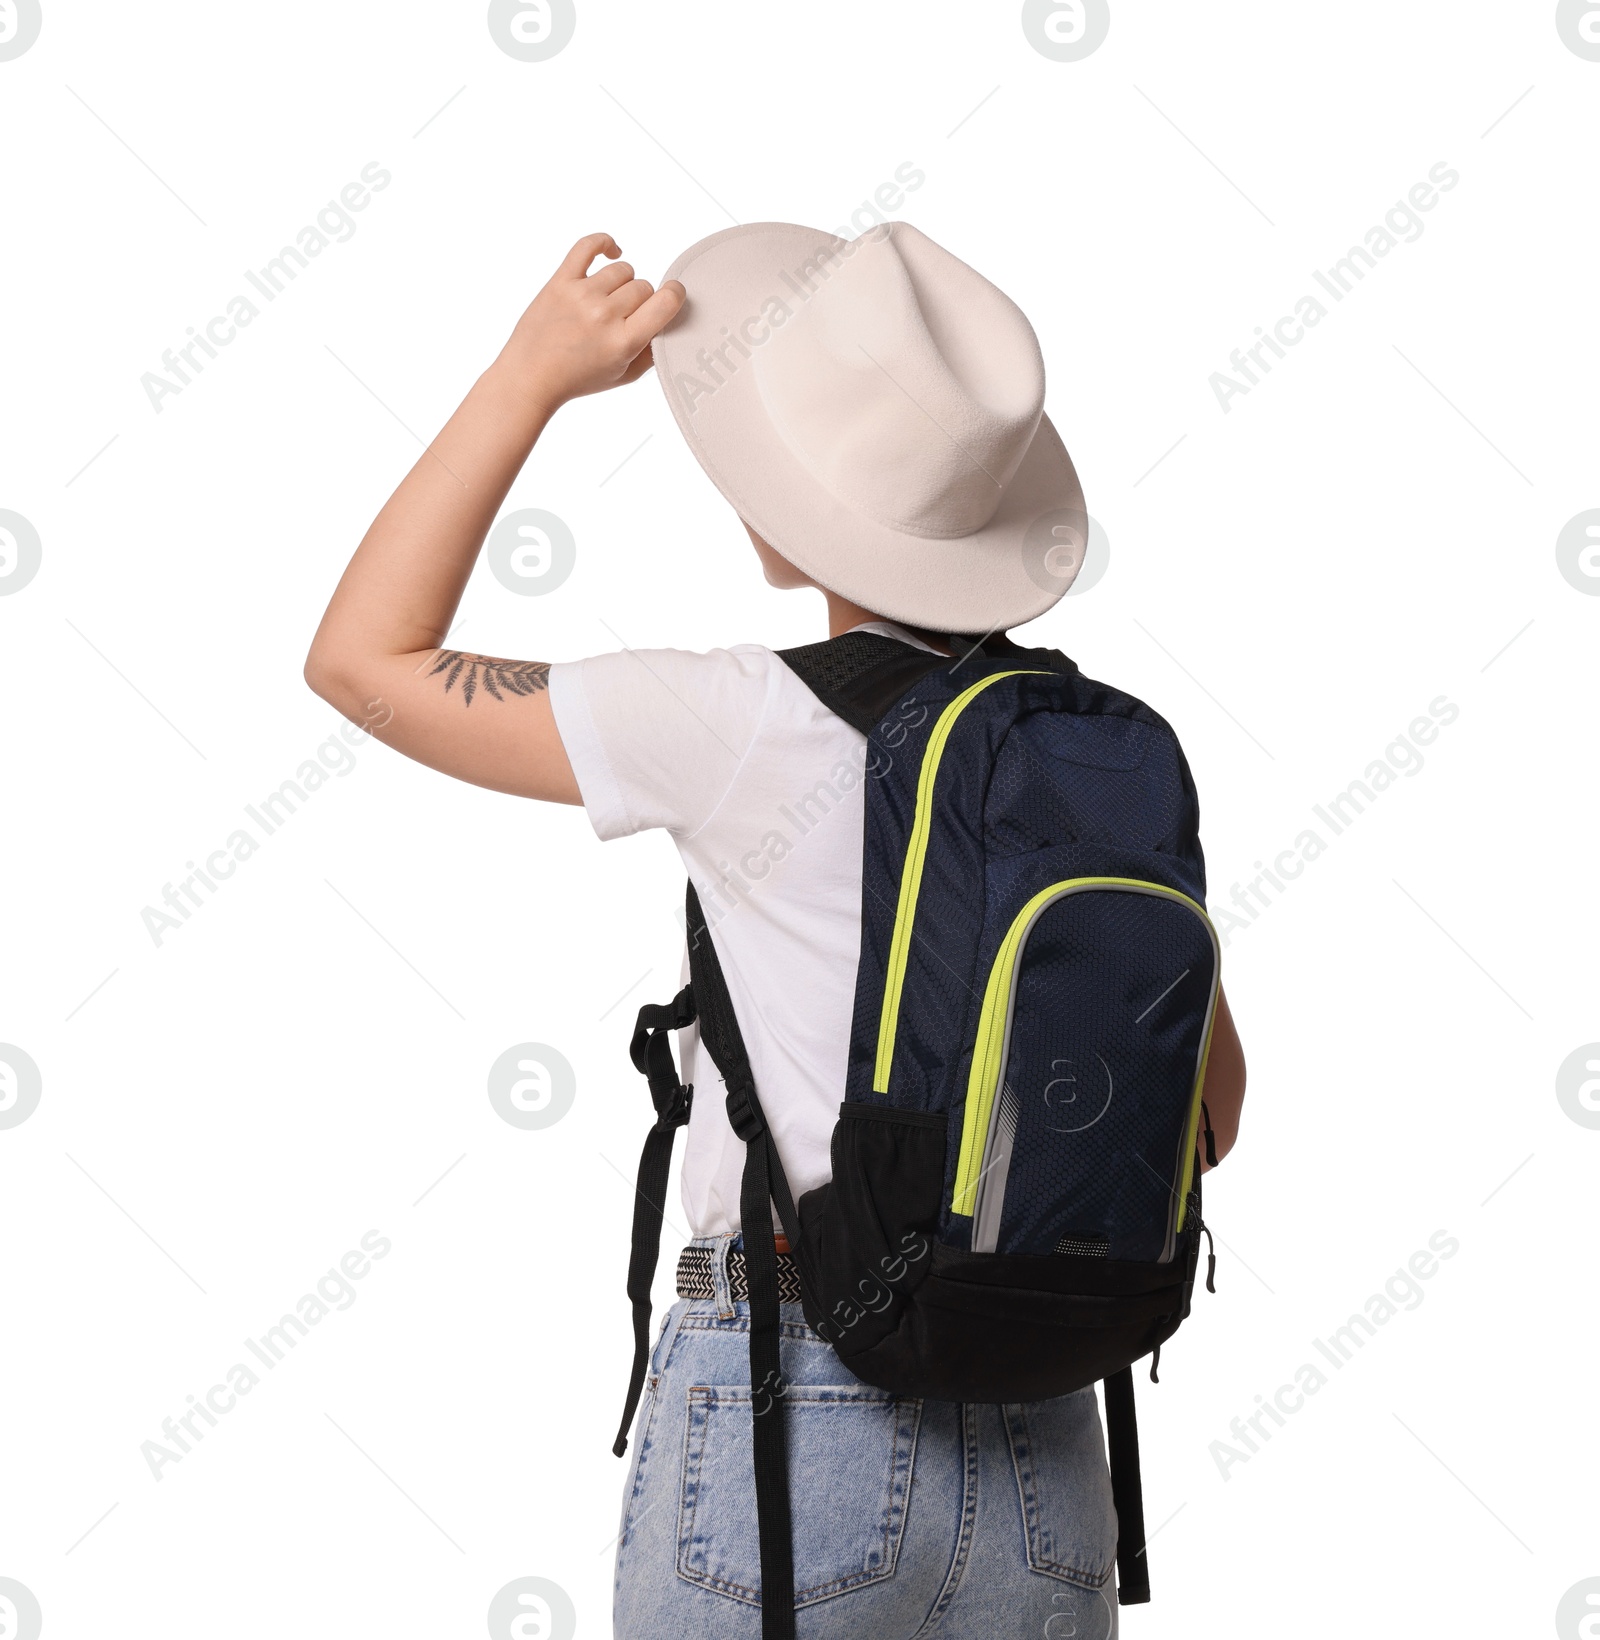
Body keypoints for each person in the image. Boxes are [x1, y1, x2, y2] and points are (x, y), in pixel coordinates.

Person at [305, 222, 1246, 1639]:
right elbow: (1214, 1108)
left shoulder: (730, 720)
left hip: (795, 1399)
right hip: (1053, 1440)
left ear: (787, 512)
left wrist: (532, 374)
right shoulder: (1090, 754)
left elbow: (364, 662)